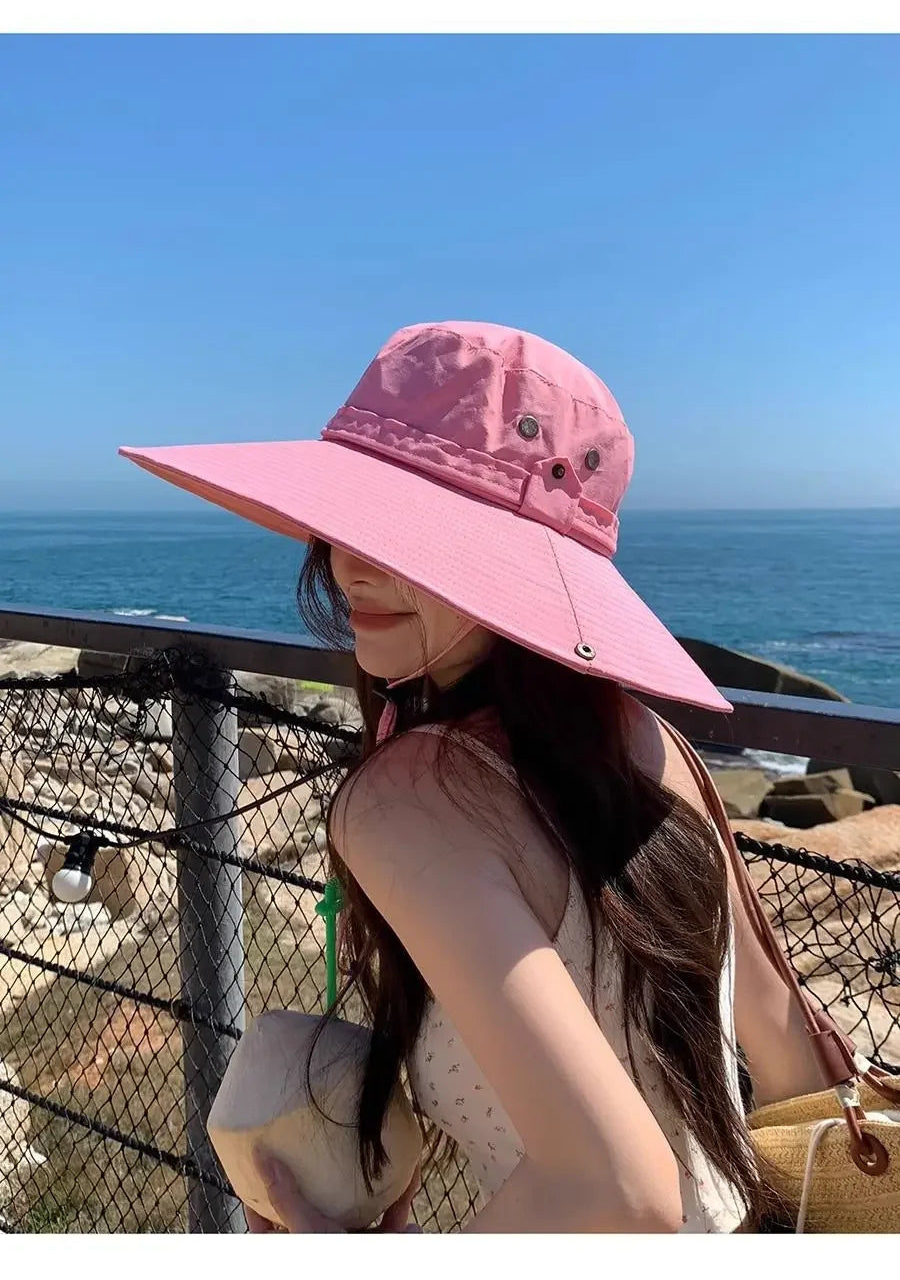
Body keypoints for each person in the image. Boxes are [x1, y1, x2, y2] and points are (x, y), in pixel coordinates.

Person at [121, 322, 829, 1233]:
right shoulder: (648, 743)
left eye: (405, 532)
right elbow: (793, 1059)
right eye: (350, 520)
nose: (347, 562)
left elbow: (620, 1190)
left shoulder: (410, 799)